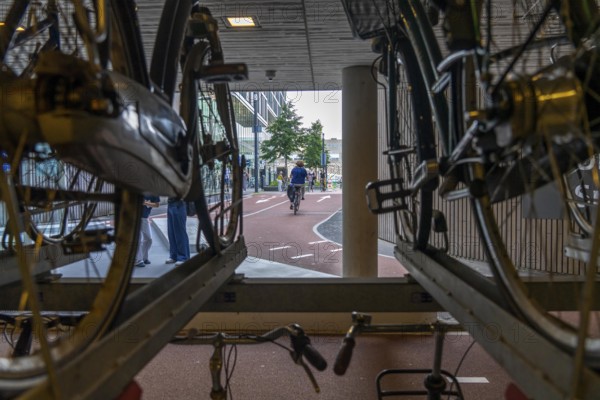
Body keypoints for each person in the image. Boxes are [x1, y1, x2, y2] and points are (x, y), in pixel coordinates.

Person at [134, 195, 160, 268]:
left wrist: (146, 203)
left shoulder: (154, 192)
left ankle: (143, 257)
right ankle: (138, 260)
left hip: (145, 218)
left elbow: (157, 205)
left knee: (149, 239)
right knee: (138, 239)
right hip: (135, 217)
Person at [166, 197, 190, 266]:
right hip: (171, 202)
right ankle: (174, 256)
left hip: (179, 203)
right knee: (171, 232)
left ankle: (183, 257)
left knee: (180, 232)